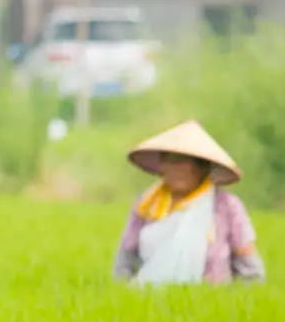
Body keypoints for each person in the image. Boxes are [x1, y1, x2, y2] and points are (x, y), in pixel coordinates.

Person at [113, 119, 264, 285]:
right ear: (161, 166)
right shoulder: (147, 203)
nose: (176, 169)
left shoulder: (226, 206)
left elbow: (250, 269)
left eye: (185, 161)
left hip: (210, 301)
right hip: (150, 301)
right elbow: (125, 260)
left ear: (203, 168)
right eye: (170, 160)